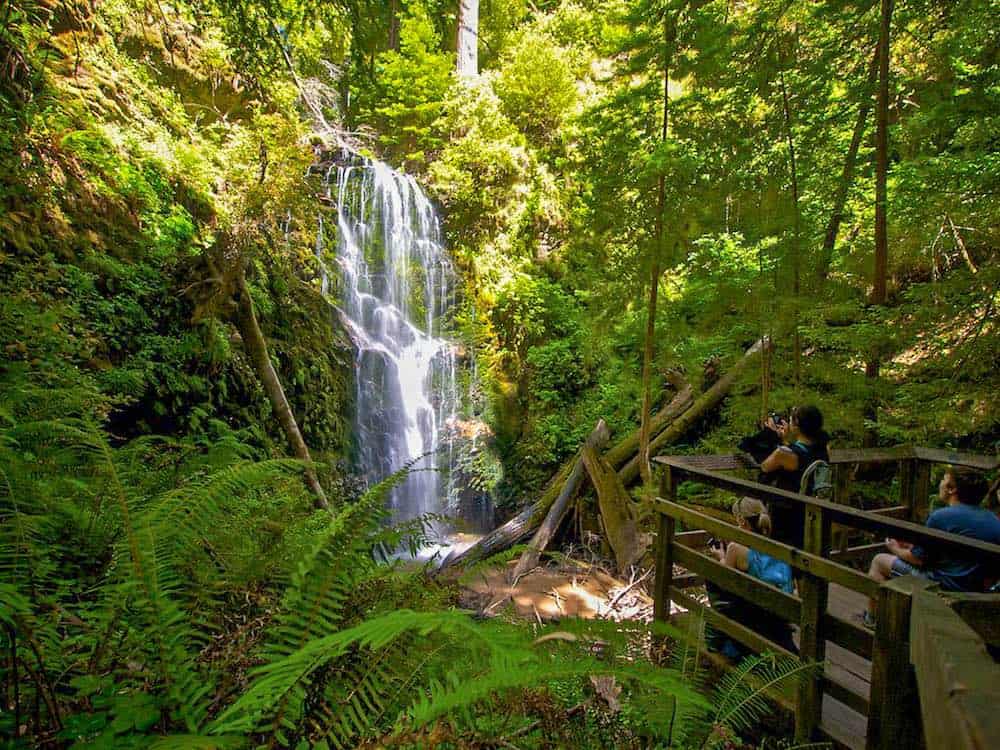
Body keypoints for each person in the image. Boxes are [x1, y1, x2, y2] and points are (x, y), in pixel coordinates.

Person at [861, 468, 1000, 628]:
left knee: (879, 561)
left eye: (943, 479)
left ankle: (874, 620)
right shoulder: (993, 520)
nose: (940, 483)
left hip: (943, 586)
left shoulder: (941, 516)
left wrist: (894, 548)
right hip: (976, 590)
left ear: (951, 489)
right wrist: (914, 547)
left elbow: (918, 559)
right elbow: (953, 553)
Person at [705, 497, 797, 660]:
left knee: (712, 578)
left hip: (756, 616)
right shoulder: (778, 546)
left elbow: (725, 581)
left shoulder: (735, 549)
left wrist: (720, 557)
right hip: (780, 615)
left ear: (742, 521)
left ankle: (721, 637)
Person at [758, 405, 830, 548]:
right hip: (813, 514)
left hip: (789, 516)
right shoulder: (825, 448)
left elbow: (765, 466)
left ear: (797, 426)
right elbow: (802, 454)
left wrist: (771, 436)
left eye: (791, 421)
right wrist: (785, 441)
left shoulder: (784, 454)